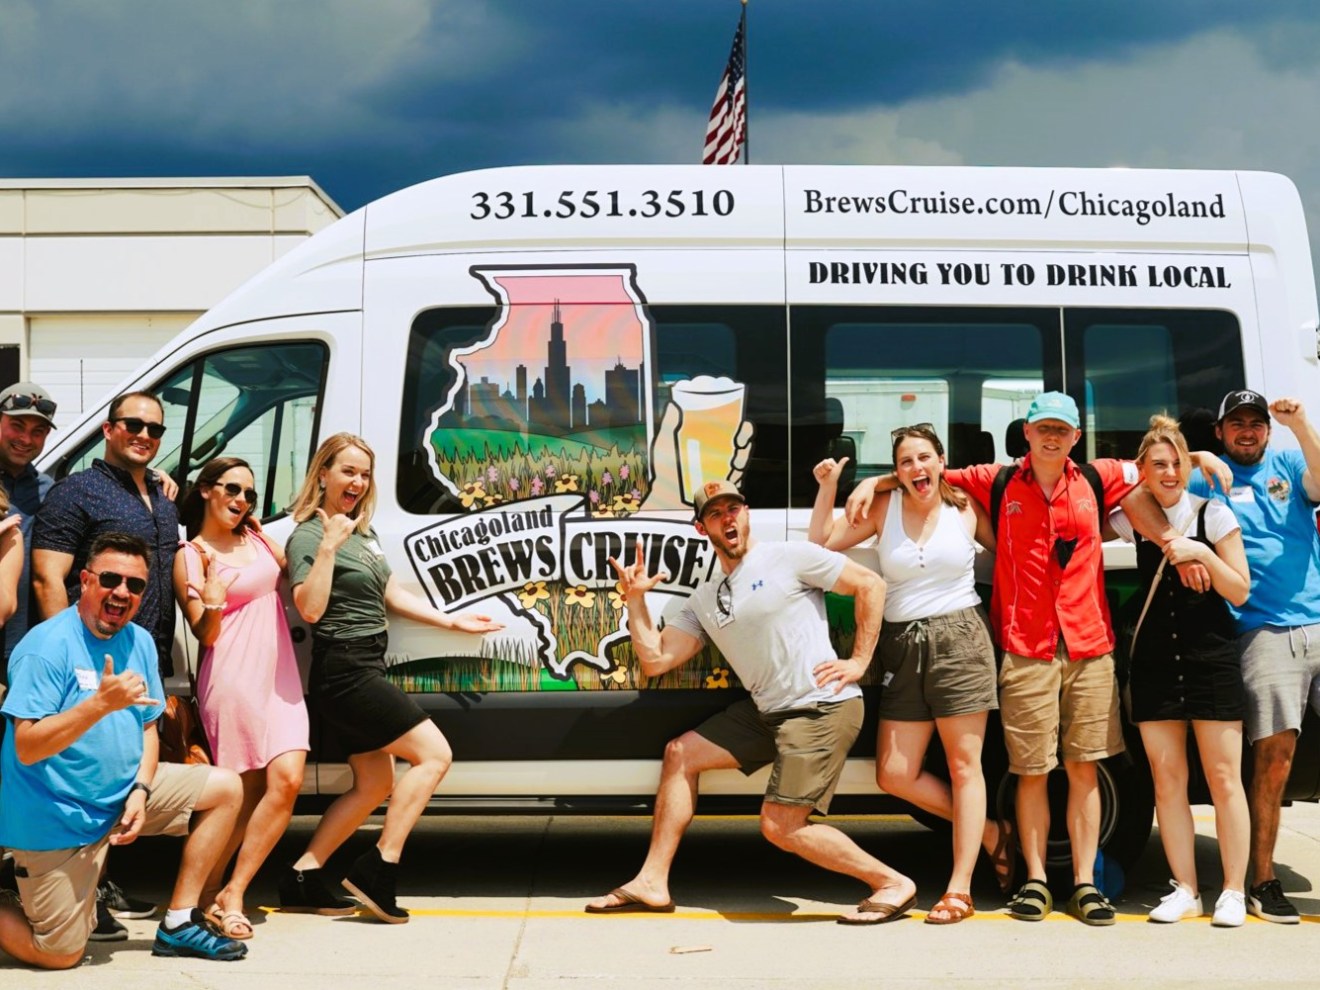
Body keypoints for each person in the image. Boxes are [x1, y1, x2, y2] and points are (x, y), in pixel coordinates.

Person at [845, 392, 1227, 925]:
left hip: (1090, 645)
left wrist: (1202, 458)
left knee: (1084, 770)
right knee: (1029, 772)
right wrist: (874, 481)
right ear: (1026, 433)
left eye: (1062, 430)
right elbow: (927, 471)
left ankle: (1087, 883)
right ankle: (1035, 881)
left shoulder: (1096, 477)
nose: (1052, 437)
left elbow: (1152, 467)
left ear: (1075, 436)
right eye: (1043, 428)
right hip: (1025, 646)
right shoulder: (996, 480)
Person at [586, 479, 918, 925]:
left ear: (746, 514)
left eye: (734, 509)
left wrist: (859, 660)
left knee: (780, 825)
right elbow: (656, 660)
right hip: (768, 713)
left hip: (821, 706)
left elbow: (869, 584)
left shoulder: (789, 556)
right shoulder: (705, 599)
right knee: (680, 753)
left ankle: (892, 883)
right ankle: (652, 881)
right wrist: (636, 601)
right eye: (716, 514)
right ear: (702, 528)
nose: (729, 519)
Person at [279, 433, 503, 924]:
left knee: (375, 781)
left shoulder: (364, 532)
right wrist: (328, 549)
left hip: (367, 665)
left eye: (364, 473)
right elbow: (310, 609)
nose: (357, 481)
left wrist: (453, 621)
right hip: (344, 671)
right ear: (323, 475)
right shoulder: (309, 536)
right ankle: (379, 866)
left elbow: (391, 592)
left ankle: (304, 873)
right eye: (347, 471)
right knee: (435, 755)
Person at [0, 533, 246, 967]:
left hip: (120, 796)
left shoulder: (140, 642)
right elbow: (26, 747)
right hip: (57, 817)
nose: (122, 592)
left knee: (226, 789)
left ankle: (179, 922)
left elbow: (149, 730)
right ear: (86, 581)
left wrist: (141, 790)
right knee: (59, 954)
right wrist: (98, 705)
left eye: (135, 585)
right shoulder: (45, 647)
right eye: (111, 579)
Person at [809, 425, 1007, 925]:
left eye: (924, 458)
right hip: (901, 646)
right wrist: (832, 485)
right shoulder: (883, 508)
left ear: (941, 461)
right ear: (895, 472)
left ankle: (959, 888)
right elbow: (821, 545)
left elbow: (1014, 553)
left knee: (966, 767)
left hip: (961, 638)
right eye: (905, 462)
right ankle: (990, 833)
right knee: (894, 773)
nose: (917, 468)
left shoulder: (965, 508)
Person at [1, 384, 168, 931]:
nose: (26, 437)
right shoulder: (75, 491)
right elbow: (51, 576)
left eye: (37, 429)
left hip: (42, 646)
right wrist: (60, 659)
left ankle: (83, 880)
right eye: (15, 425)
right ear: (109, 430)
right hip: (40, 652)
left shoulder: (42, 486)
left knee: (84, 771)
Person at [1183, 390, 1320, 923]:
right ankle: (1262, 880)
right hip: (1260, 631)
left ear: (1267, 430)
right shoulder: (1206, 476)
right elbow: (1141, 479)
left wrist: (1301, 425)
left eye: (1256, 424)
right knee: (1274, 758)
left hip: (1317, 619)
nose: (1247, 432)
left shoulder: (1289, 459)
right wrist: (1195, 458)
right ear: (1219, 431)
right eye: (1235, 424)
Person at [1109, 414, 1251, 927]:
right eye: (1159, 465)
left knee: (1222, 778)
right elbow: (1110, 499)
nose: (1169, 473)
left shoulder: (1213, 514)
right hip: (1154, 662)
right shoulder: (1135, 513)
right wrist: (1172, 542)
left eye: (1178, 463)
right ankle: (1186, 888)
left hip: (1210, 658)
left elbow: (1239, 589)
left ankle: (1233, 890)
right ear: (1143, 469)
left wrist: (1199, 555)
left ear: (1189, 465)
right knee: (1167, 780)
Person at [173, 457, 309, 941]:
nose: (242, 500)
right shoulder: (191, 553)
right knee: (241, 795)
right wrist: (211, 597)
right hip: (232, 677)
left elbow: (290, 571)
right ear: (207, 491)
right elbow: (205, 635)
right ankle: (207, 896)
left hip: (280, 679)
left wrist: (259, 529)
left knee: (288, 782)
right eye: (232, 489)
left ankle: (233, 890)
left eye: (249, 494)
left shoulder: (254, 539)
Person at [32, 391, 179, 678]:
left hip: (147, 660)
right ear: (108, 430)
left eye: (154, 429)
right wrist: (69, 659)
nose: (144, 435)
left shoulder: (165, 496)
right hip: (92, 661)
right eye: (134, 425)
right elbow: (46, 580)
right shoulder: (75, 491)